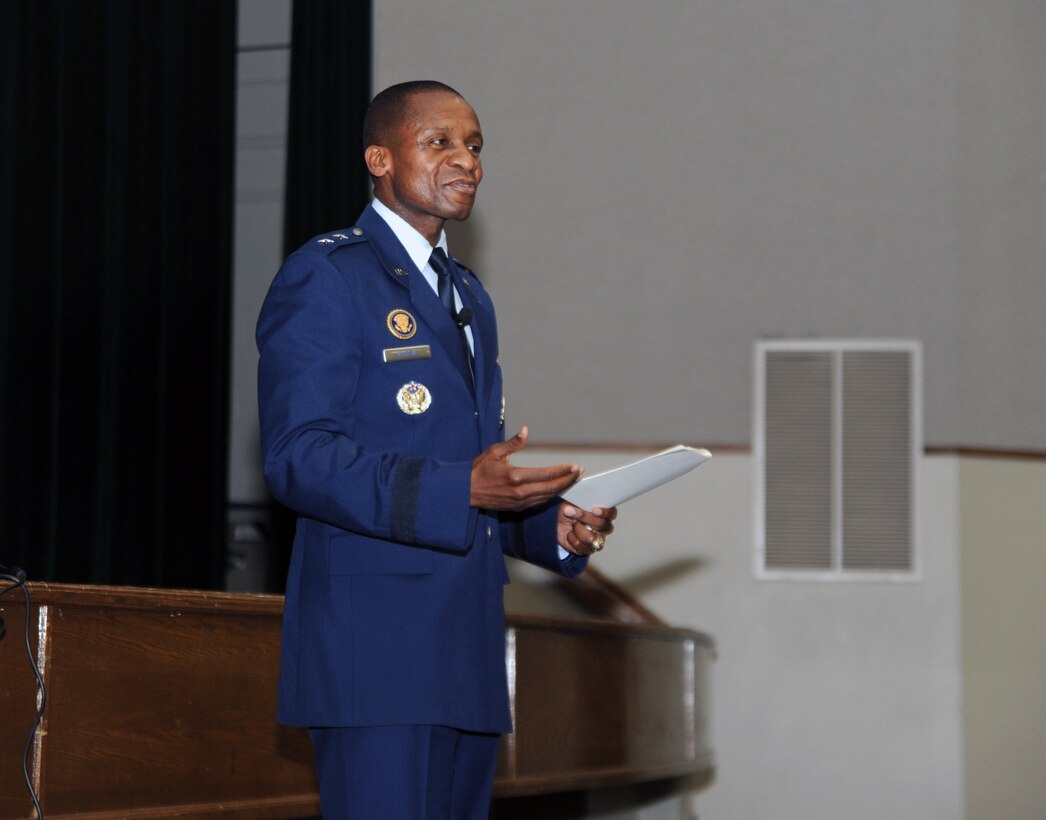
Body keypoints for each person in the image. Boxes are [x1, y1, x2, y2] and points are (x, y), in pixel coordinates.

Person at [256, 80, 617, 819]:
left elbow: (464, 472)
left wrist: (545, 526)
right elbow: (299, 456)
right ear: (380, 158)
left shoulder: (468, 296)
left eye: (476, 146)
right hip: (377, 652)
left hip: (466, 652)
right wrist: (466, 491)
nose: (468, 161)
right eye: (441, 142)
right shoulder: (328, 276)